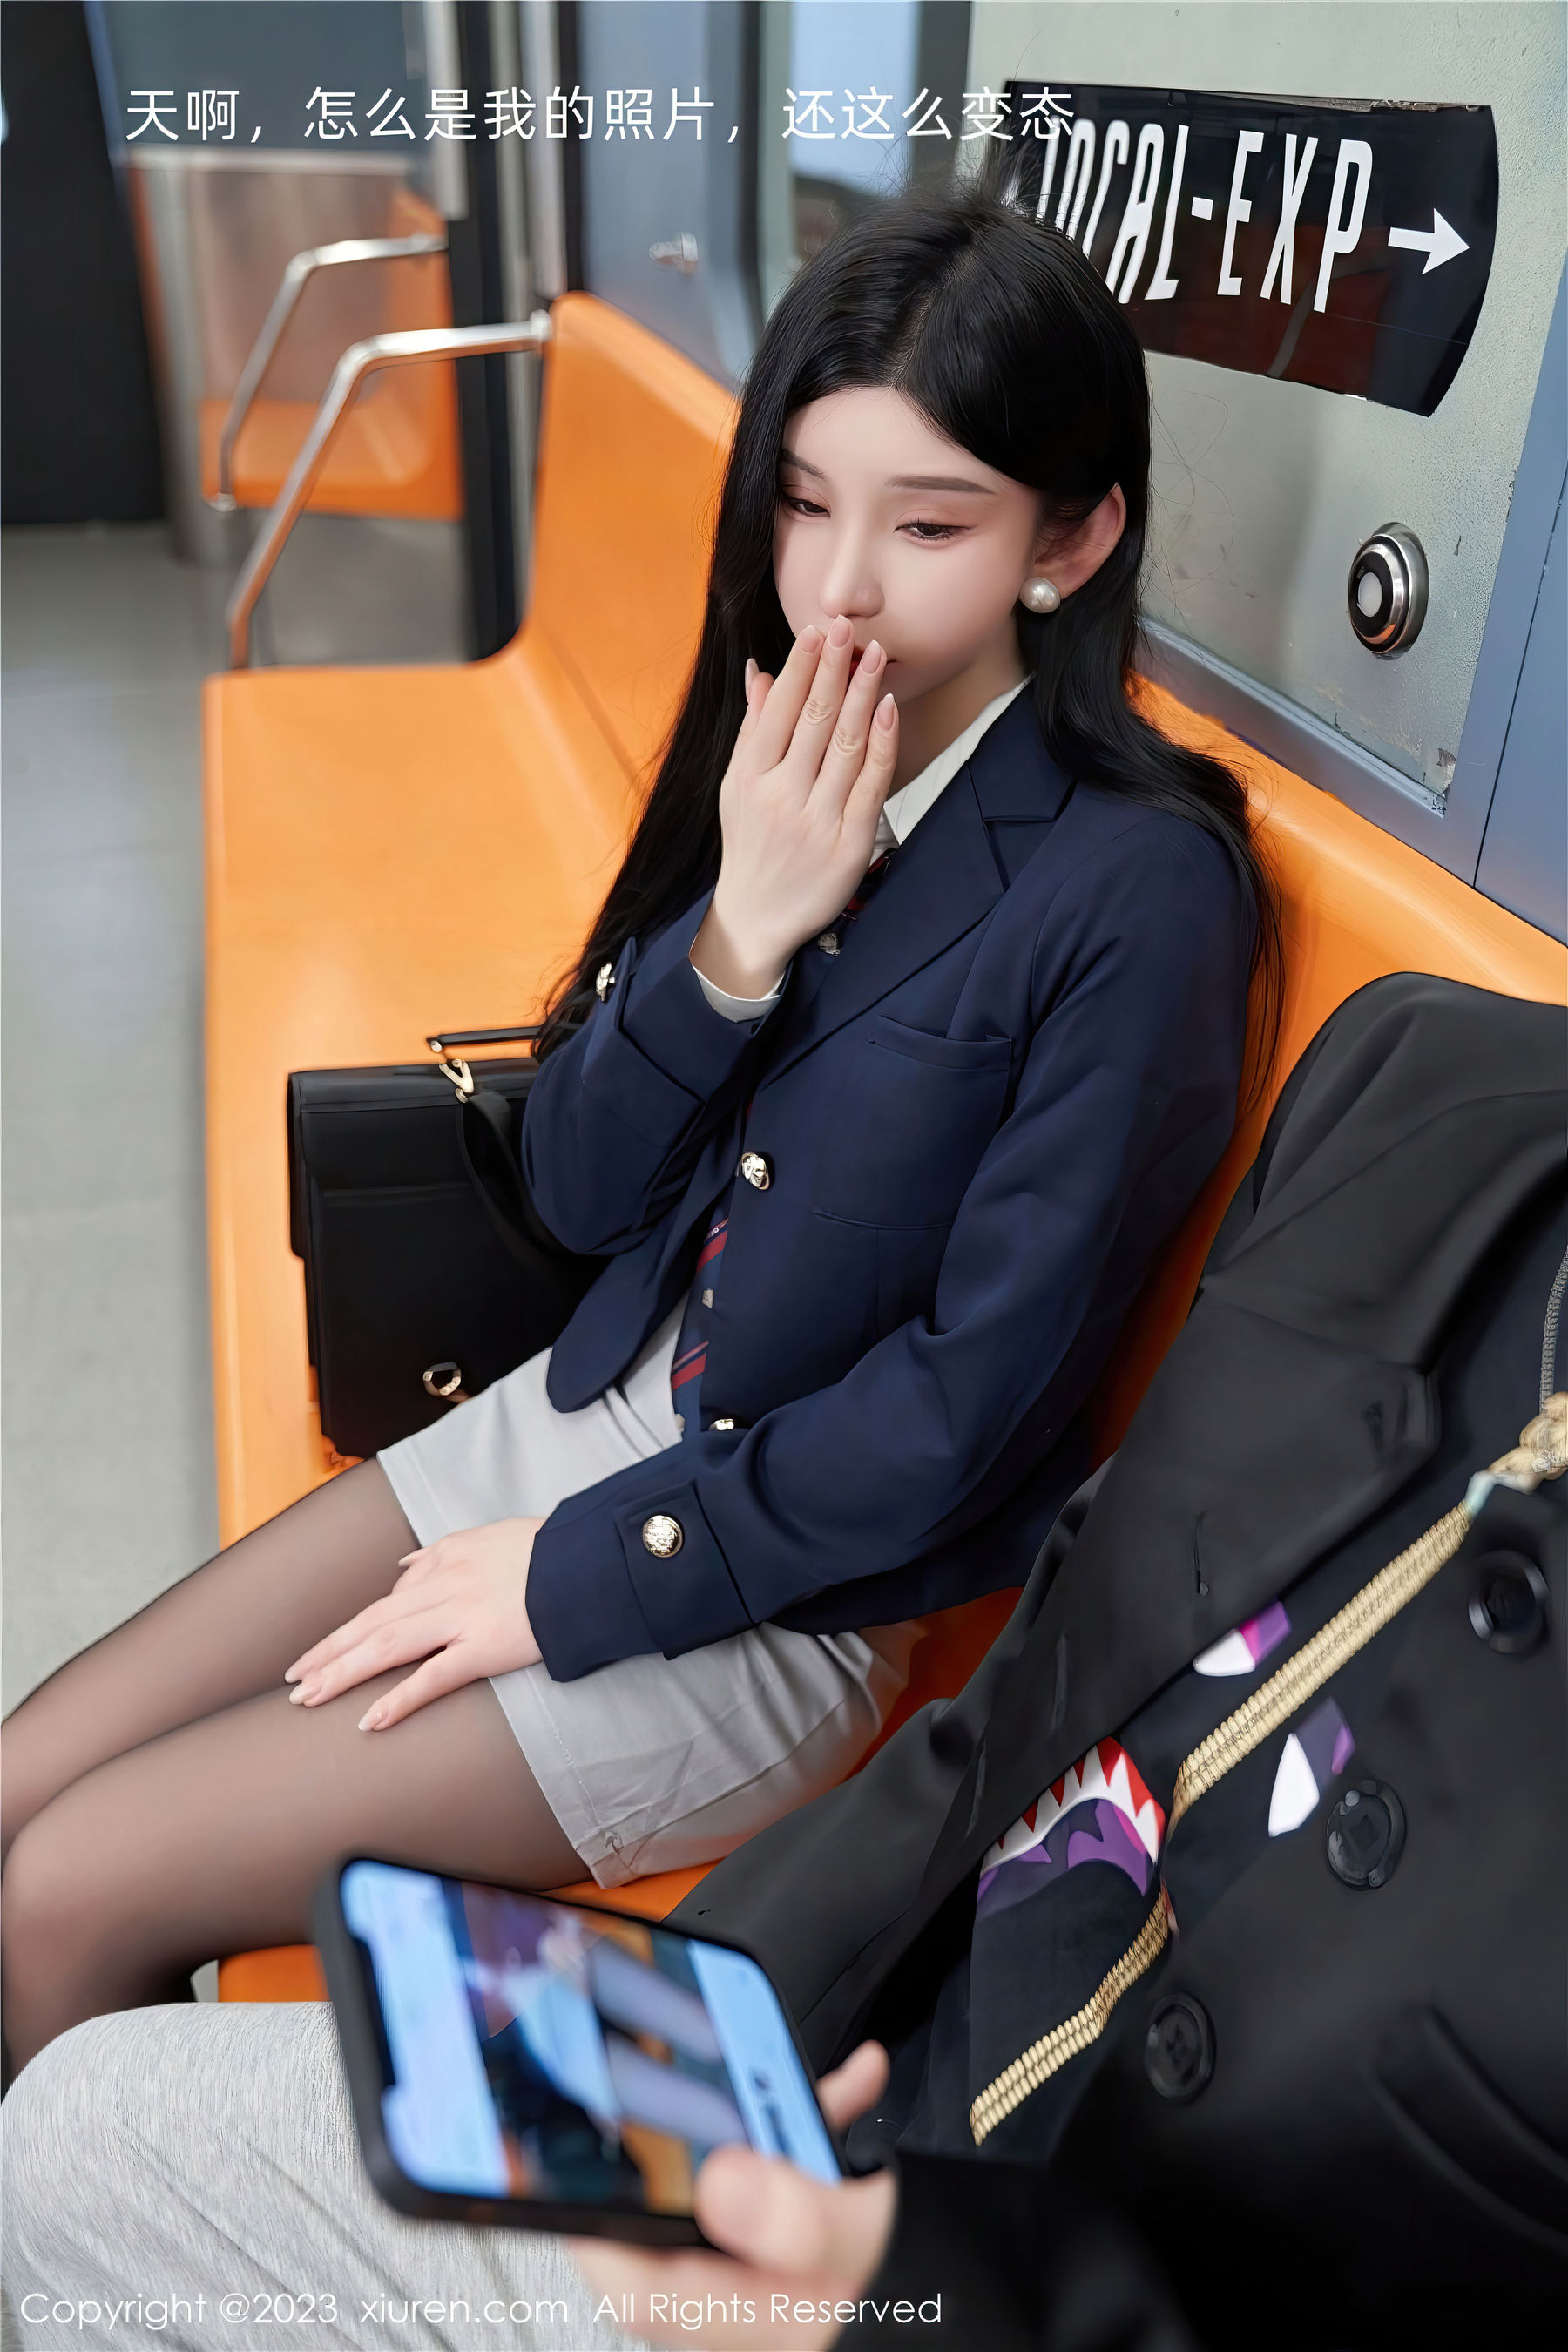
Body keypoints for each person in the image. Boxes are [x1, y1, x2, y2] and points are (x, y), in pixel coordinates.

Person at [0, 184, 1273, 2072]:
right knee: (21, 1786)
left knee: (65, 1886)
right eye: (807, 504)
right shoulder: (787, 743)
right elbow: (580, 1190)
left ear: (1070, 543)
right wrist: (741, 937)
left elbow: (964, 1416)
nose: (841, 588)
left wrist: (575, 1573)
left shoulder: (1138, 891)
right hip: (583, 1409)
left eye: (929, 526)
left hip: (774, 1605)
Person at [3, 976, 1562, 2352]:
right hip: (819, 2046)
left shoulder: (1139, 901)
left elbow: (955, 1429)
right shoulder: (1420, 1082)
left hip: (945, 2278)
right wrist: (708, 2017)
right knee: (77, 2116)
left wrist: (898, 2294)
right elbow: (1036, 1685)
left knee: (77, 2011)